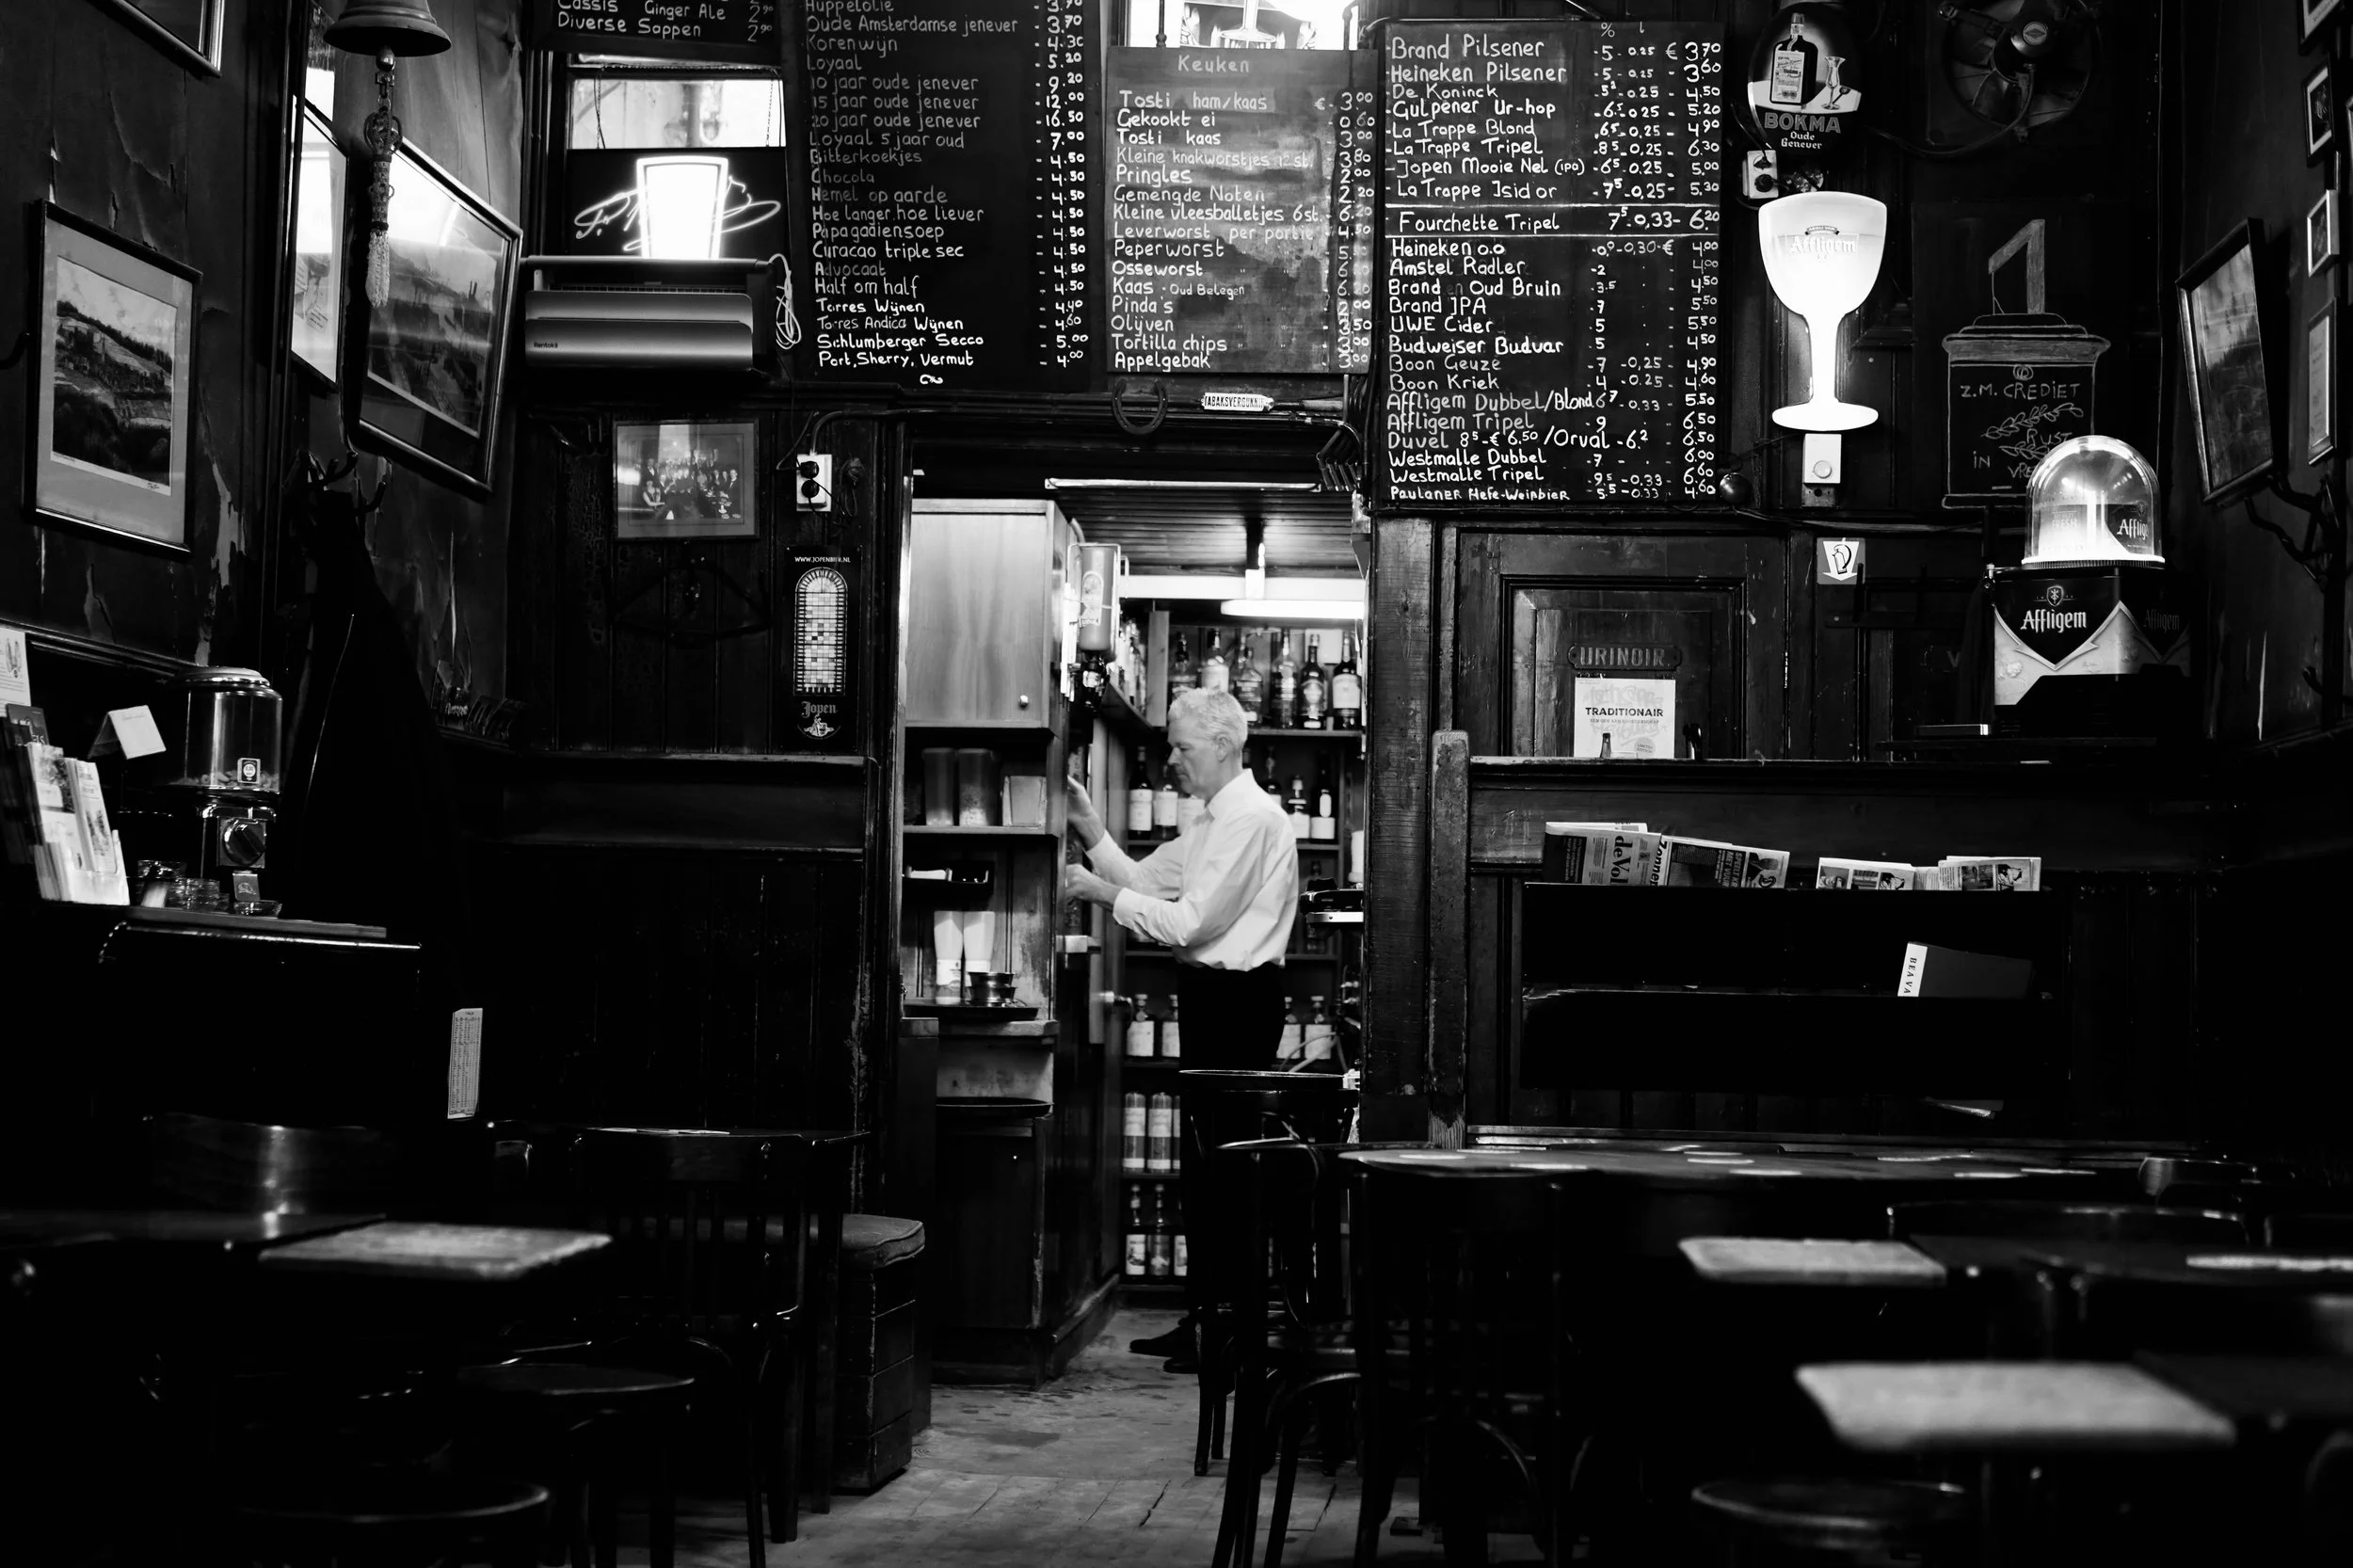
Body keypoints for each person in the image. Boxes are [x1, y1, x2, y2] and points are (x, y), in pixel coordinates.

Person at [1064, 686, 1298, 1368]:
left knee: (1224, 1170)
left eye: (1182, 746)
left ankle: (1224, 1328)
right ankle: (1207, 1319)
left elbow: (1191, 923)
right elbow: (1144, 878)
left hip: (1237, 1001)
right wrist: (1089, 827)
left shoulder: (1250, 818)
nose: (1171, 759)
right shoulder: (1208, 819)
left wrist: (1098, 892)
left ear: (1224, 745)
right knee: (1203, 1169)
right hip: (1209, 998)